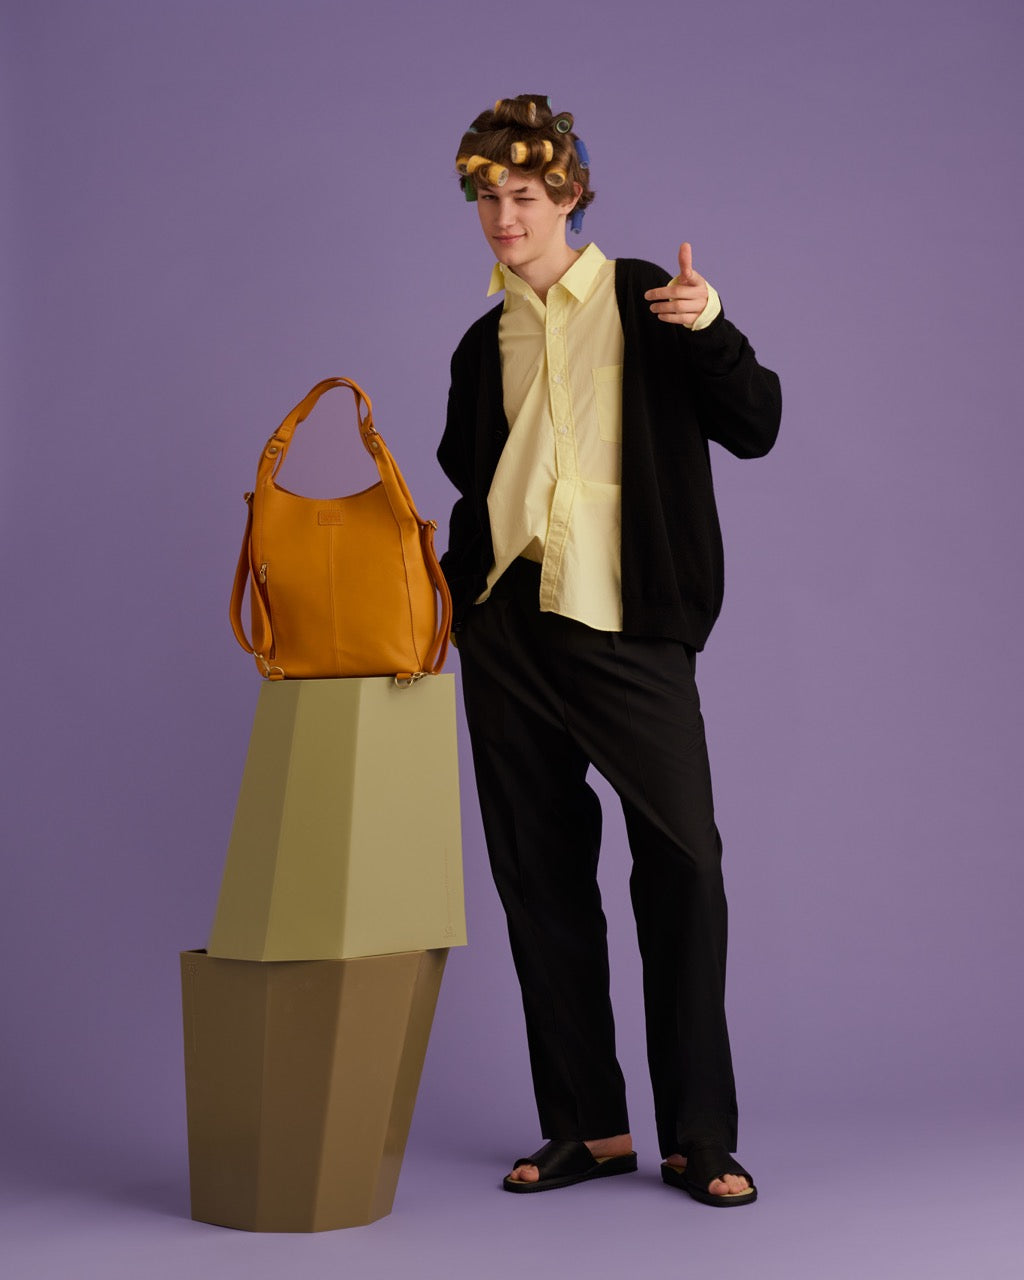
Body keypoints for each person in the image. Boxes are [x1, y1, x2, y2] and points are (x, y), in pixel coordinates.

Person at [437, 95, 781, 1207]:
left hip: (628, 626)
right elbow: (473, 478)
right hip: (508, 629)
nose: (504, 217)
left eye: (525, 196)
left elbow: (757, 423)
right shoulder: (480, 343)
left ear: (571, 194)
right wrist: (459, 600)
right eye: (488, 197)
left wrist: (711, 325)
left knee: (684, 869)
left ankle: (699, 1135)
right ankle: (586, 1127)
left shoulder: (650, 301)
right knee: (538, 879)